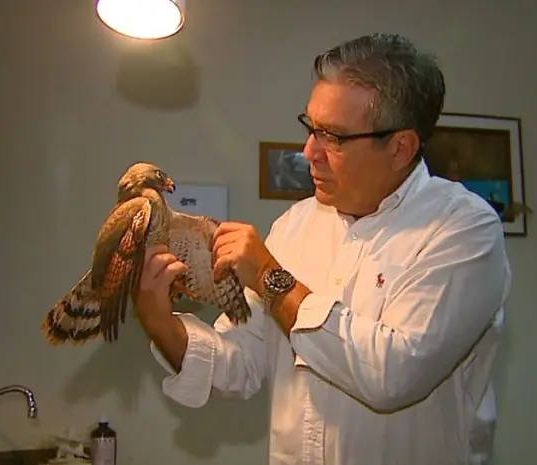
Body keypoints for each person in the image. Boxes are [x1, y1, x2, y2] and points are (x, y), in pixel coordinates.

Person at [133, 33, 512, 465]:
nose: (308, 151)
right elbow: (237, 365)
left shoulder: (463, 228)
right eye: (310, 127)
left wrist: (270, 279)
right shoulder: (296, 226)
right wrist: (159, 320)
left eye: (332, 136)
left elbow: (393, 375)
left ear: (401, 147)